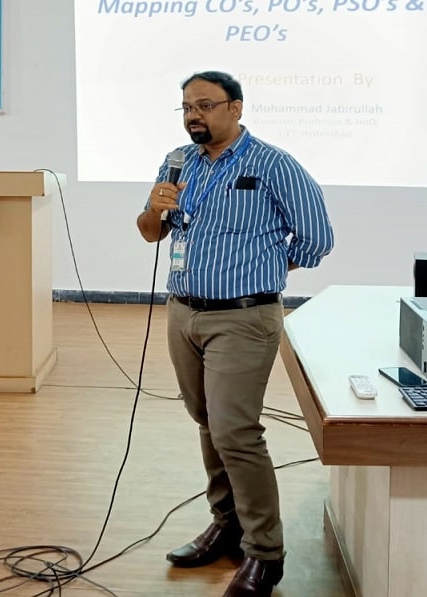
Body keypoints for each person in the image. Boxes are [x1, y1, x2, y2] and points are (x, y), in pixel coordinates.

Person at [136, 71, 333, 597]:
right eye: (186, 107)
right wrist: (154, 207)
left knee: (235, 432)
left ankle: (265, 553)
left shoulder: (273, 164)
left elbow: (317, 237)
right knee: (208, 423)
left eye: (204, 105)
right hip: (184, 312)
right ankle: (227, 525)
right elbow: (151, 233)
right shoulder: (178, 162)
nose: (193, 115)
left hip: (244, 317)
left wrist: (263, 269)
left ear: (236, 108)